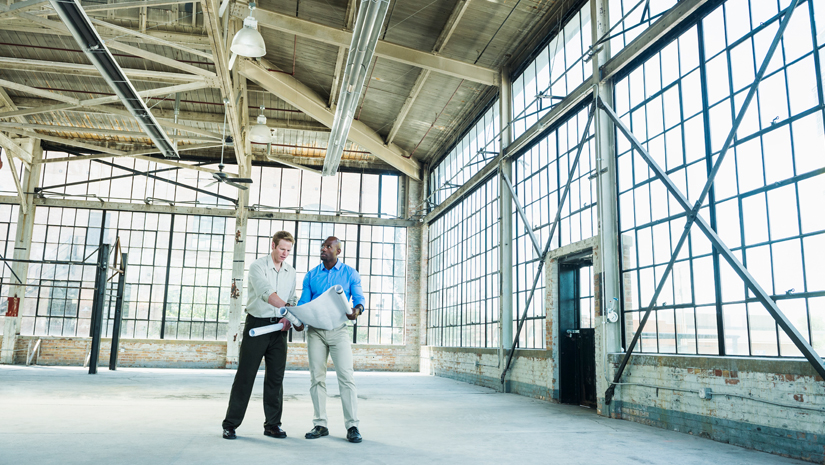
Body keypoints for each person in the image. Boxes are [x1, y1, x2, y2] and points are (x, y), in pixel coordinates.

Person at [221, 231, 300, 440]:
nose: (285, 253)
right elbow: (267, 293)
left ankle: (272, 425)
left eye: (288, 250)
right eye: (282, 249)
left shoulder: (291, 272)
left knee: (276, 378)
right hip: (257, 326)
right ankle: (230, 424)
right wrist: (290, 312)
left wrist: (288, 317)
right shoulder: (258, 266)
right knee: (245, 377)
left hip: (280, 330)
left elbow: (292, 297)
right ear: (273, 245)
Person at [298, 236, 365, 443]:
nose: (323, 249)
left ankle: (352, 425)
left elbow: (359, 300)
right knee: (317, 378)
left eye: (328, 246)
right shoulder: (311, 275)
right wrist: (298, 318)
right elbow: (303, 302)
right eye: (322, 246)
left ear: (338, 251)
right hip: (315, 332)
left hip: (338, 330)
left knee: (346, 377)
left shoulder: (350, 273)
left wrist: (356, 310)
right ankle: (320, 424)